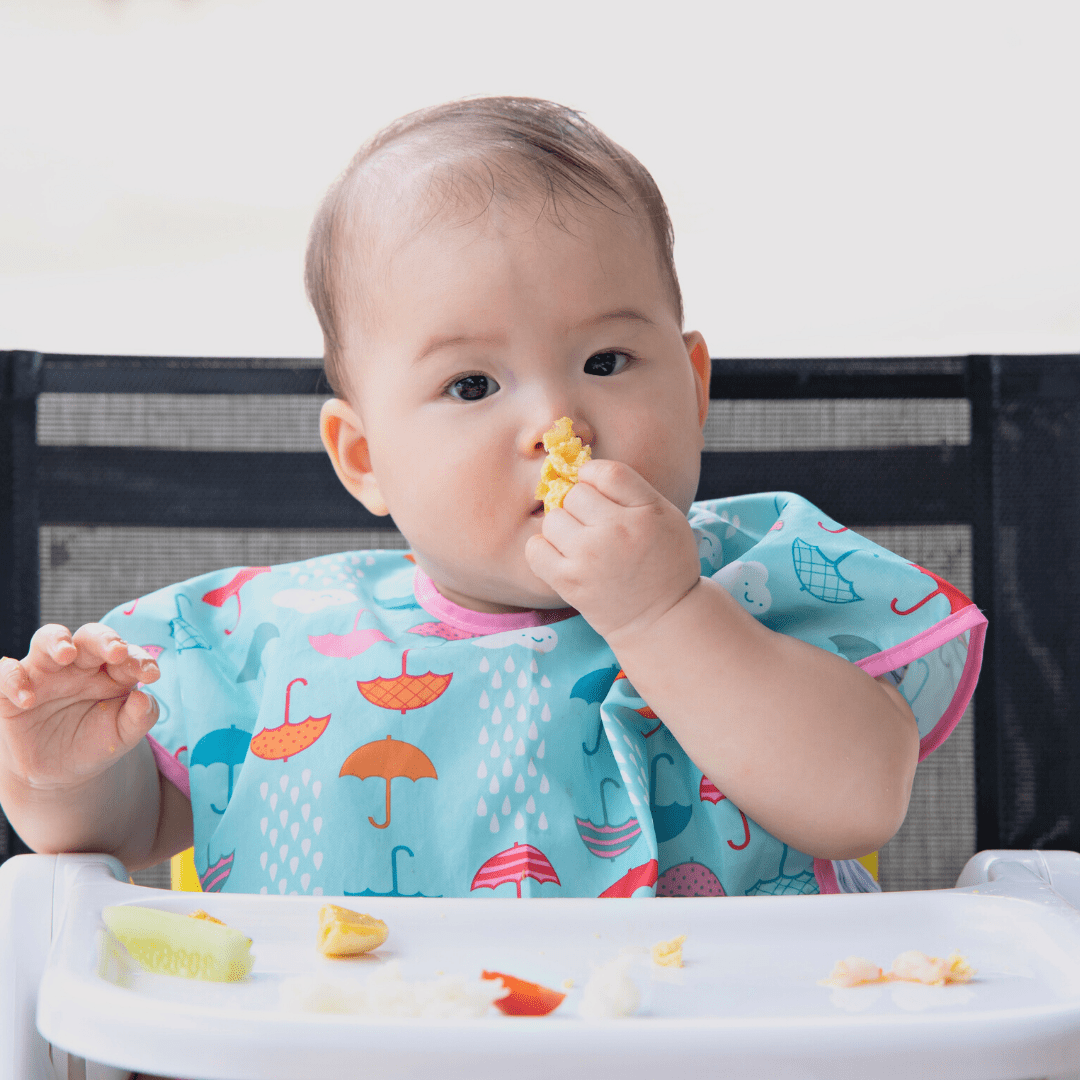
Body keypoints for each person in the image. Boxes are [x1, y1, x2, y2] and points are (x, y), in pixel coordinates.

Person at [0, 98, 985, 912]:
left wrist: (665, 614)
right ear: (365, 456)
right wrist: (64, 776)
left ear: (691, 388)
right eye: (472, 386)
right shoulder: (267, 644)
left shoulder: (767, 576)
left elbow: (860, 799)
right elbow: (130, 833)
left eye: (606, 361)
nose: (560, 420)